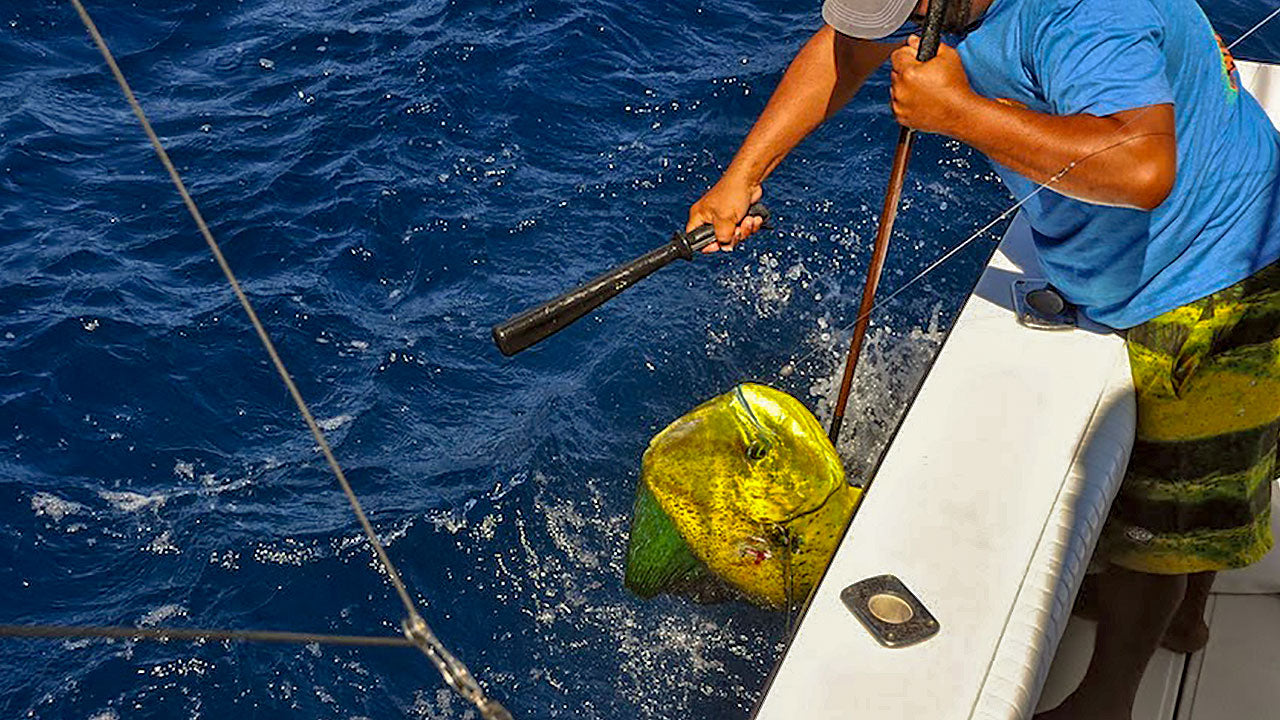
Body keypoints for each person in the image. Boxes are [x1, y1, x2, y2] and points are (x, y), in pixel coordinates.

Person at [686, 0, 1280, 718]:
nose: (895, 22)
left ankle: (1111, 695)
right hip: (1134, 268)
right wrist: (743, 174)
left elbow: (1143, 165)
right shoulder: (951, 7)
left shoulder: (1086, 15)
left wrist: (959, 113)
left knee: (1166, 525)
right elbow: (847, 47)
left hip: (1217, 280)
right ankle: (1178, 616)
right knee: (1179, 507)